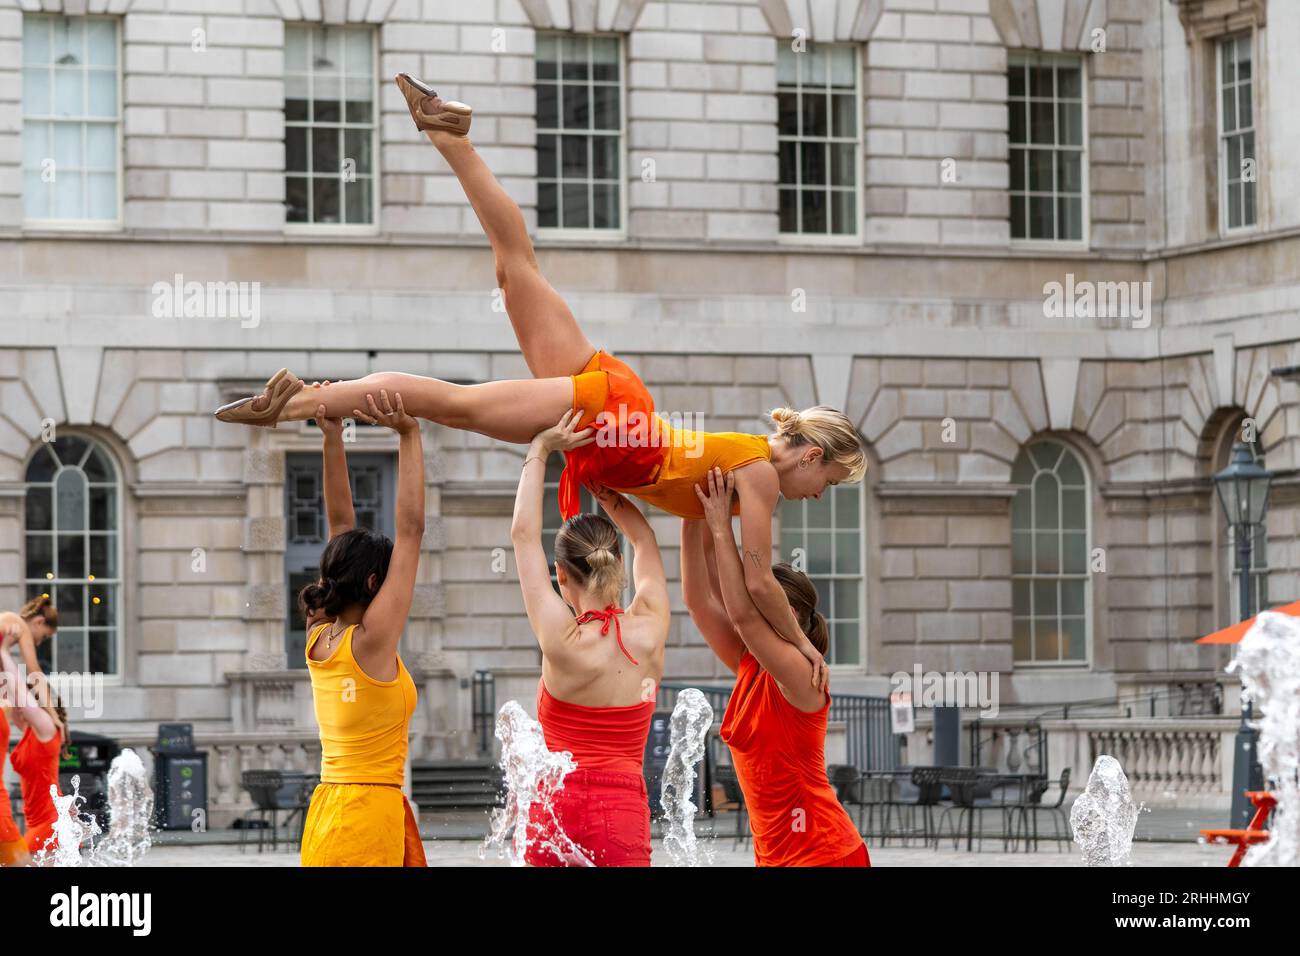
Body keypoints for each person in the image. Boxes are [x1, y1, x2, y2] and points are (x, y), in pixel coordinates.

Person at [214, 75, 865, 685]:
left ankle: (449, 134)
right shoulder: (756, 476)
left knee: (515, 271)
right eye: (827, 481)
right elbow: (757, 584)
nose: (816, 494)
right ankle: (300, 400)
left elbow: (703, 592)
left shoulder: (725, 483)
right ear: (810, 455)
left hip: (620, 405)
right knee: (457, 407)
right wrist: (805, 645)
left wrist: (679, 524)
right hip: (611, 425)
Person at [683, 467, 869, 867]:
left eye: (759, 599)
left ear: (793, 614)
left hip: (823, 853)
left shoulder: (803, 675)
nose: (746, 607)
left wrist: (721, 527)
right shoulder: (751, 664)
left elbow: (743, 615)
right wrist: (690, 512)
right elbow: (700, 601)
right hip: (775, 857)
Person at [510, 412, 670, 866]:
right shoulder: (650, 626)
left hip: (555, 810)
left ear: (561, 575)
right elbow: (646, 540)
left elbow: (522, 536)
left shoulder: (561, 639)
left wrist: (541, 447)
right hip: (620, 813)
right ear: (618, 563)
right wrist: (610, 496)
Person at [297, 391, 427, 867]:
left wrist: (332, 436)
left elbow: (339, 526)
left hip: (326, 811)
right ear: (375, 582)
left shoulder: (318, 635)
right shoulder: (371, 643)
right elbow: (411, 530)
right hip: (367, 818)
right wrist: (410, 434)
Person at [0, 640, 68, 857]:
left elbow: (18, 692)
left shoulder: (46, 728)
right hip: (39, 822)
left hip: (49, 823)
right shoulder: (30, 731)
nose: (16, 706)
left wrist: (3, 650)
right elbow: (8, 690)